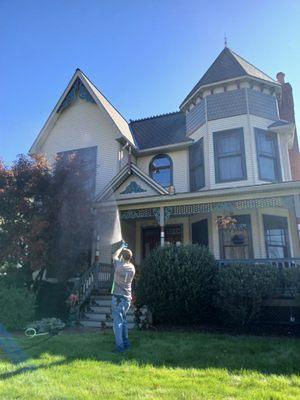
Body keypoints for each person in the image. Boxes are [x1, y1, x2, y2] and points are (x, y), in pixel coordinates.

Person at [111, 242, 135, 353]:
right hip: (127, 299)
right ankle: (126, 343)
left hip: (118, 299)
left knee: (118, 323)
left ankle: (120, 347)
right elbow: (120, 258)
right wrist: (124, 252)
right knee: (123, 321)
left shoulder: (119, 266)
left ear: (122, 257)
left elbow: (114, 256)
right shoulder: (132, 267)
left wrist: (120, 248)